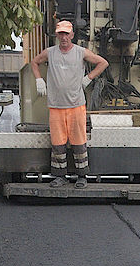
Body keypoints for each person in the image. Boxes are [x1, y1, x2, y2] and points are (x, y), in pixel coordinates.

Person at [31, 20, 109, 182]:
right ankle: (60, 176)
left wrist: (89, 77)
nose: (64, 37)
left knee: (79, 142)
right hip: (56, 106)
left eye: (67, 33)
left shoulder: (81, 52)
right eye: (61, 33)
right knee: (58, 144)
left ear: (72, 35)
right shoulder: (50, 52)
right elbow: (34, 62)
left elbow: (103, 63)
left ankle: (82, 176)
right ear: (57, 35)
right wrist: (39, 79)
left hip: (76, 106)